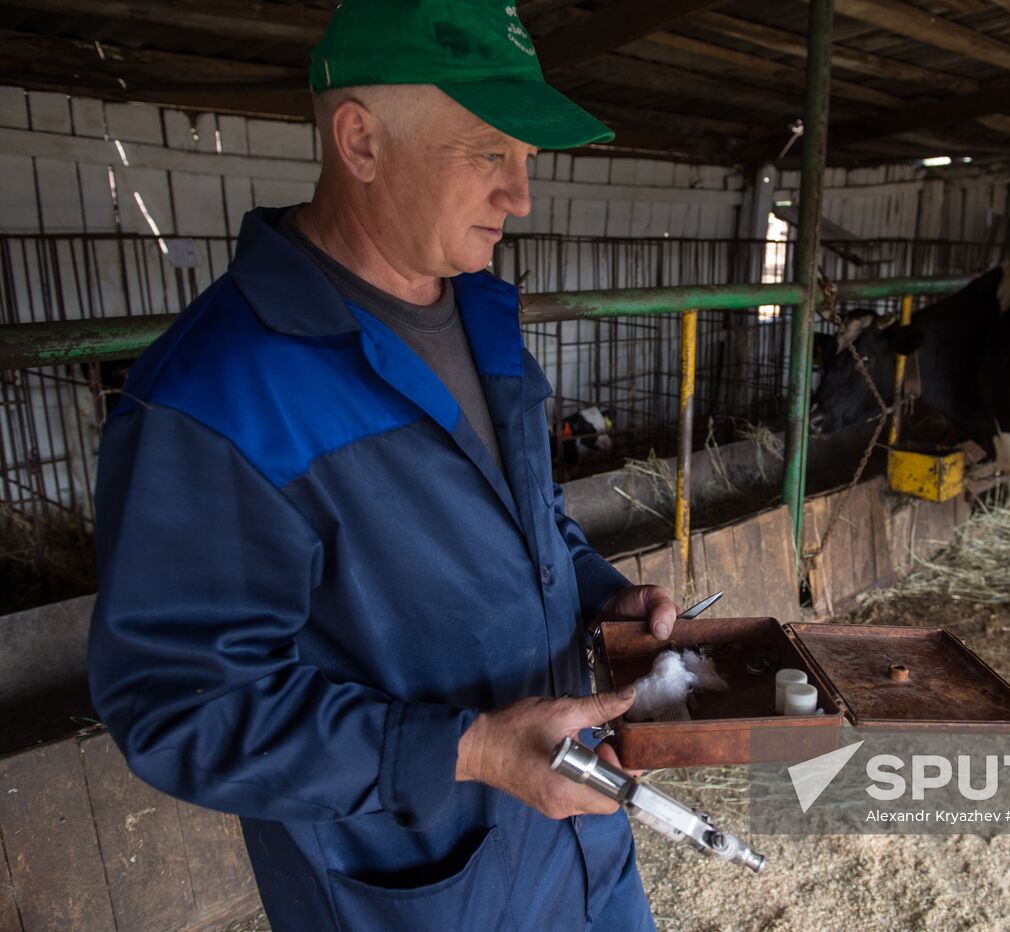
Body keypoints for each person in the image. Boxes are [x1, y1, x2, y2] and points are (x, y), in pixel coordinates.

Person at [87, 2, 674, 928]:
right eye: (488, 153)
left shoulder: (484, 317)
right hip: (418, 884)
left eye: (528, 158)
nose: (520, 196)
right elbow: (178, 708)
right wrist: (471, 752)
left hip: (581, 850)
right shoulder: (216, 392)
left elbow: (529, 513)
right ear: (359, 141)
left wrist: (597, 590)